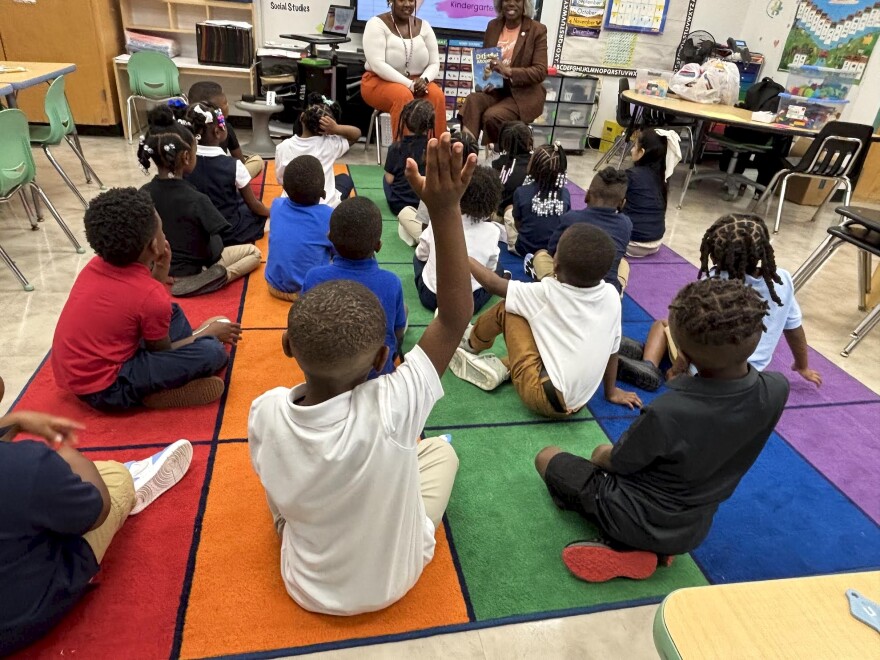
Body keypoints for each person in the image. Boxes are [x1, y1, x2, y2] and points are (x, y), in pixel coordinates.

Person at [247, 132, 475, 616]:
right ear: (380, 361)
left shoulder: (264, 411)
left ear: (288, 347)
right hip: (395, 579)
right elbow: (455, 315)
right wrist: (444, 207)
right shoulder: (394, 403)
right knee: (438, 456)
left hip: (303, 586)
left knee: (282, 475)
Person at [535, 278, 790, 582]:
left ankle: (623, 547)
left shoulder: (668, 411)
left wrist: (600, 454)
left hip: (631, 516)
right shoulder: (777, 389)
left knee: (548, 456)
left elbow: (618, 461)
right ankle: (655, 550)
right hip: (694, 529)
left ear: (681, 351)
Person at [0, 376, 195, 656]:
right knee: (113, 477)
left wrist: (15, 420)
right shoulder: (28, 464)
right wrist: (68, 456)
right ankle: (130, 482)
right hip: (21, 617)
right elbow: (96, 511)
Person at [51, 188, 241, 411]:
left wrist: (161, 271)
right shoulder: (149, 295)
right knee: (212, 352)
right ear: (153, 245)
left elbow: (142, 300)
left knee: (172, 311)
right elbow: (160, 350)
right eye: (162, 231)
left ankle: (170, 373)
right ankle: (153, 393)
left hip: (82, 371)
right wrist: (207, 333)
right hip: (107, 389)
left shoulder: (95, 266)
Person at [451, 224, 642, 417]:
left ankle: (470, 341)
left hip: (541, 395)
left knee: (509, 308)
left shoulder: (547, 292)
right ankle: (500, 367)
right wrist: (611, 392)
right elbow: (613, 349)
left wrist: (463, 255)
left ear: (555, 266)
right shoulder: (611, 295)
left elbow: (493, 284)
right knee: (540, 324)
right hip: (578, 403)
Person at [620, 214, 823, 390]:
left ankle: (649, 364)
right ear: (763, 250)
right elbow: (794, 329)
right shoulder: (782, 280)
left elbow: (692, 331)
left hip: (702, 370)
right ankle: (646, 350)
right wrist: (802, 365)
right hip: (749, 375)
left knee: (663, 324)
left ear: (715, 253)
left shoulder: (713, 283)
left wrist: (677, 370)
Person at [138, 104, 261, 298]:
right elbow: (216, 242)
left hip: (162, 265)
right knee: (254, 253)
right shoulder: (197, 199)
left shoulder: (143, 194)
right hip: (195, 268)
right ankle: (215, 278)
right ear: (187, 157)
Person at [303, 197, 408, 376]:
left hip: (326, 378)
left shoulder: (313, 277)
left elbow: (304, 327)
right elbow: (396, 333)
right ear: (378, 246)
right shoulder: (391, 283)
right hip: (377, 376)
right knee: (403, 311)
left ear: (330, 238)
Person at [414, 165, 503, 312]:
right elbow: (490, 269)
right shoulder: (493, 231)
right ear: (492, 203)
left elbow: (420, 254)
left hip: (430, 296)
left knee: (418, 259)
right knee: (498, 269)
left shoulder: (438, 219)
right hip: (469, 302)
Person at [529, 167, 632, 294]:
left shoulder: (571, 219)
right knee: (623, 264)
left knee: (541, 255)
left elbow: (553, 251)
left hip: (566, 291)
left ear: (587, 195)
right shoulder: (626, 224)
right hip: (606, 294)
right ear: (622, 203)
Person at [460, 0, 548, 146]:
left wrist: (509, 71)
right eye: (506, 0)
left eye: (517, 0)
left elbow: (540, 71)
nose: (511, 3)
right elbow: (485, 62)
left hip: (523, 96)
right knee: (472, 101)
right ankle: (464, 153)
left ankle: (499, 158)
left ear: (525, 4)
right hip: (496, 90)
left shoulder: (537, 30)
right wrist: (485, 82)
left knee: (492, 116)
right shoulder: (493, 26)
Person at [183, 102, 269, 245]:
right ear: (217, 132)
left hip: (195, 231)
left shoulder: (183, 163)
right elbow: (254, 205)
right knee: (258, 214)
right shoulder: (234, 165)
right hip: (227, 232)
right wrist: (274, 212)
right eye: (224, 123)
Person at [361, 0, 448, 141]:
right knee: (402, 96)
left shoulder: (424, 26)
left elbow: (434, 63)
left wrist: (423, 80)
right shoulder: (376, 24)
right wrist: (409, 85)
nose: (407, 4)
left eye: (411, 0)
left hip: (417, 81)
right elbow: (377, 64)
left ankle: (435, 152)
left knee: (436, 95)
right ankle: (404, 155)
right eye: (402, 0)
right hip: (378, 81)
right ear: (391, 1)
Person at [265, 155, 335, 301]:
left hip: (273, 286)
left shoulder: (276, 205)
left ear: (284, 188)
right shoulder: (327, 215)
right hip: (310, 293)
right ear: (323, 192)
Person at [274, 94, 360, 208]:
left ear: (301, 117)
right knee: (345, 179)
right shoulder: (330, 144)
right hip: (325, 206)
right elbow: (356, 134)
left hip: (292, 204)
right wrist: (336, 129)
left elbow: (281, 180)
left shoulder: (283, 147)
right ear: (325, 129)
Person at [397, 130, 480, 245]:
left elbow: (425, 229)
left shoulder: (435, 181)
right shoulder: (483, 182)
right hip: (472, 240)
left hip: (439, 241)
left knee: (405, 212)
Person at [187, 81, 264, 180]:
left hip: (191, 180)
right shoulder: (225, 128)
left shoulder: (184, 128)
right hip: (221, 180)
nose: (227, 106)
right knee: (257, 161)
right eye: (225, 103)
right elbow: (240, 161)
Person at [510, 143, 571, 259]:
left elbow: (518, 224)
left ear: (533, 167)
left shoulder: (521, 192)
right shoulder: (565, 194)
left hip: (524, 249)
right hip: (552, 252)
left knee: (509, 212)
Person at [624, 128, 670, 258]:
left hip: (631, 243)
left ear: (642, 152)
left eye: (635, 146)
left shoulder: (631, 175)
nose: (632, 150)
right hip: (655, 243)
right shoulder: (662, 178)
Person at [385, 98, 435, 217]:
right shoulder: (434, 148)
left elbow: (389, 180)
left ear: (405, 121)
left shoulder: (395, 148)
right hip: (425, 205)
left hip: (399, 206)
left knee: (386, 178)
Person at [492, 121, 533, 222]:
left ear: (504, 143)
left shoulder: (497, 165)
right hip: (530, 215)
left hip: (503, 215)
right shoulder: (537, 162)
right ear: (530, 141)